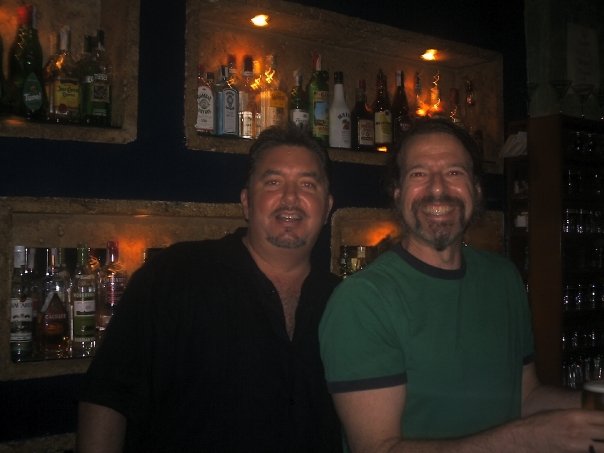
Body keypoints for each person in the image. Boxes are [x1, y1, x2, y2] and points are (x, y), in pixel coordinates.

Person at [319, 118, 604, 453]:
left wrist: (589, 409)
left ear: (477, 189)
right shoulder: (362, 301)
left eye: (454, 172)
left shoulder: (504, 278)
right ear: (397, 194)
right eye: (419, 174)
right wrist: (528, 438)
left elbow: (525, 396)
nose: (438, 189)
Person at [77, 124, 342, 452]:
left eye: (307, 184)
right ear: (246, 202)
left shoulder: (346, 300)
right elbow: (107, 397)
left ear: (327, 207)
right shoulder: (175, 274)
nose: (290, 198)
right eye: (273, 182)